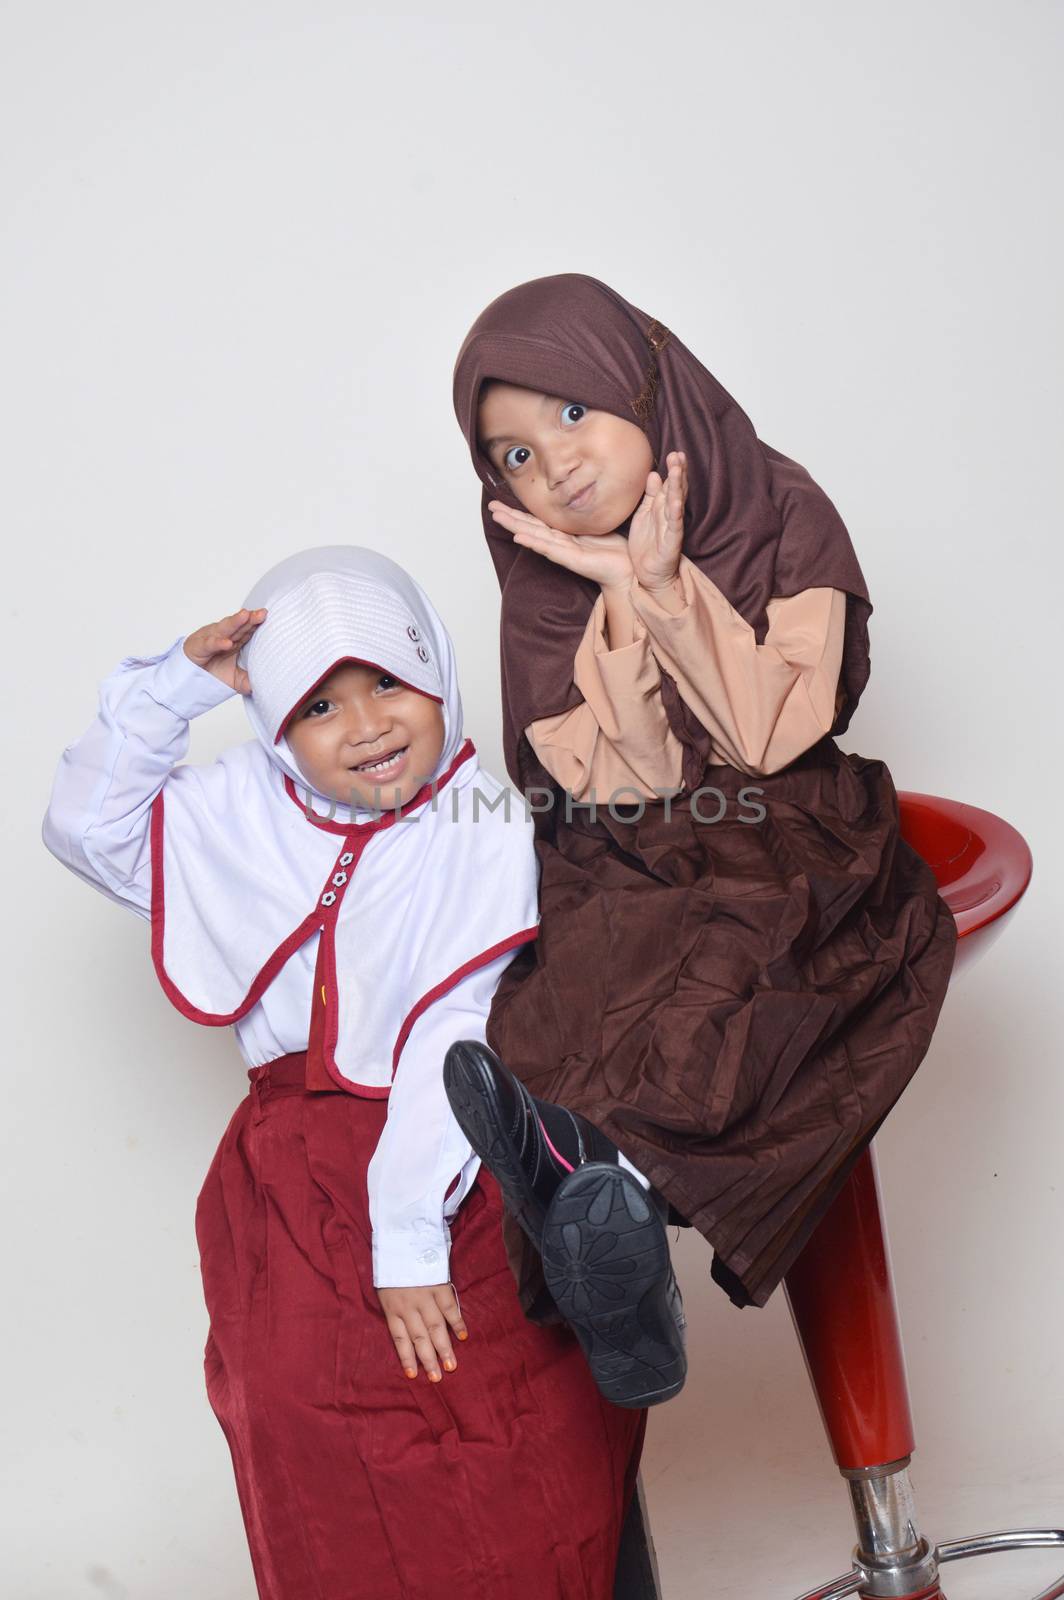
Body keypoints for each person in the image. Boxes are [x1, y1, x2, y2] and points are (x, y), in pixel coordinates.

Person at [42, 545, 645, 1600]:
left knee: (508, 1452)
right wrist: (174, 689)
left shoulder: (479, 821)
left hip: (452, 1167)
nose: (365, 725)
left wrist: (406, 1234)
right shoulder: (234, 812)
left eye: (387, 683)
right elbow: (84, 827)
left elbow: (453, 1034)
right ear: (274, 727)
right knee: (304, 1451)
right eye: (317, 705)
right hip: (284, 1187)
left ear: (435, 675)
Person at [444, 274, 958, 1397]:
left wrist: (662, 586)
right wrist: (612, 598)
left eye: (570, 412)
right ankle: (610, 1250)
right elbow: (625, 780)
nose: (555, 464)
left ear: (643, 383)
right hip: (626, 840)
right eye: (514, 454)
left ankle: (597, 1188)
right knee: (566, 982)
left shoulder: (777, 507)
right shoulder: (540, 583)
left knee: (730, 967)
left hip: (788, 823)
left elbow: (769, 735)